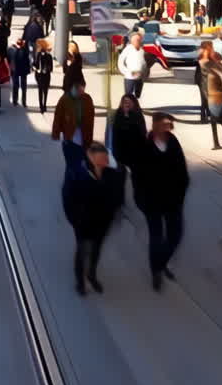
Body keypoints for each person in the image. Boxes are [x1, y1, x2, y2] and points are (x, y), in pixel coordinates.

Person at [116, 111, 189, 292]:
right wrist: (142, 198)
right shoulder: (144, 146)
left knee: (175, 235)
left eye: (169, 124)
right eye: (165, 124)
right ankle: (156, 271)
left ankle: (161, 262)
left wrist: (181, 193)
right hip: (152, 201)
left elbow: (182, 170)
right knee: (156, 237)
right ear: (155, 125)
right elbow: (137, 176)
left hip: (173, 200)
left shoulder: (173, 142)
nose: (168, 127)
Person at [62, 141, 126, 296]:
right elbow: (68, 199)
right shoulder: (76, 173)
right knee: (82, 250)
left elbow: (118, 194)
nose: (104, 162)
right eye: (100, 159)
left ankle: (91, 274)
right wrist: (75, 219)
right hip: (82, 222)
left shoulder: (112, 173)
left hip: (102, 222)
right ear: (90, 157)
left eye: (105, 158)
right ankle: (80, 282)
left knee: (96, 249)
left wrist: (113, 211)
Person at [52, 76, 95, 173]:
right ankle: (70, 181)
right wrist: (56, 133)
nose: (82, 92)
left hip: (84, 133)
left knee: (81, 161)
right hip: (70, 135)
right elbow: (58, 116)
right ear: (74, 88)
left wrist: (90, 137)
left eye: (83, 89)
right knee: (71, 163)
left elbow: (91, 118)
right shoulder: (65, 99)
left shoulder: (87, 99)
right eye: (80, 89)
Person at [111, 94, 147, 167]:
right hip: (121, 151)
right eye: (125, 102)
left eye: (129, 102)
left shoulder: (138, 115)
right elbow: (116, 133)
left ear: (134, 103)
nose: (127, 104)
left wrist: (128, 115)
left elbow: (142, 132)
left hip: (136, 152)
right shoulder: (118, 114)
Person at [118, 32, 148, 99]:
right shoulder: (127, 49)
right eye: (136, 40)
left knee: (137, 96)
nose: (138, 41)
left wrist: (144, 73)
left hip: (140, 77)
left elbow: (144, 63)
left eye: (139, 40)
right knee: (128, 96)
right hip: (129, 78)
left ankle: (136, 107)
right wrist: (127, 72)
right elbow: (120, 62)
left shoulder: (142, 50)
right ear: (131, 41)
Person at [193, 41, 214, 123]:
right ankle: (204, 114)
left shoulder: (210, 57)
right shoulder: (202, 57)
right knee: (205, 97)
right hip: (202, 79)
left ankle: (205, 114)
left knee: (205, 97)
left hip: (206, 79)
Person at [33, 39, 54, 114]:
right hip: (39, 76)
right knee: (40, 91)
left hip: (46, 76)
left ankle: (44, 104)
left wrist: (47, 69)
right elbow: (34, 65)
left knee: (45, 91)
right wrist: (36, 69)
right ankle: (41, 106)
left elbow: (51, 68)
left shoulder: (49, 56)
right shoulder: (37, 55)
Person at [9, 39, 32, 108]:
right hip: (21, 71)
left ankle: (15, 101)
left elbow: (10, 60)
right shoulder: (24, 51)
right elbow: (28, 61)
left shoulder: (13, 50)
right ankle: (23, 102)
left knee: (16, 86)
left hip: (16, 71)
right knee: (22, 87)